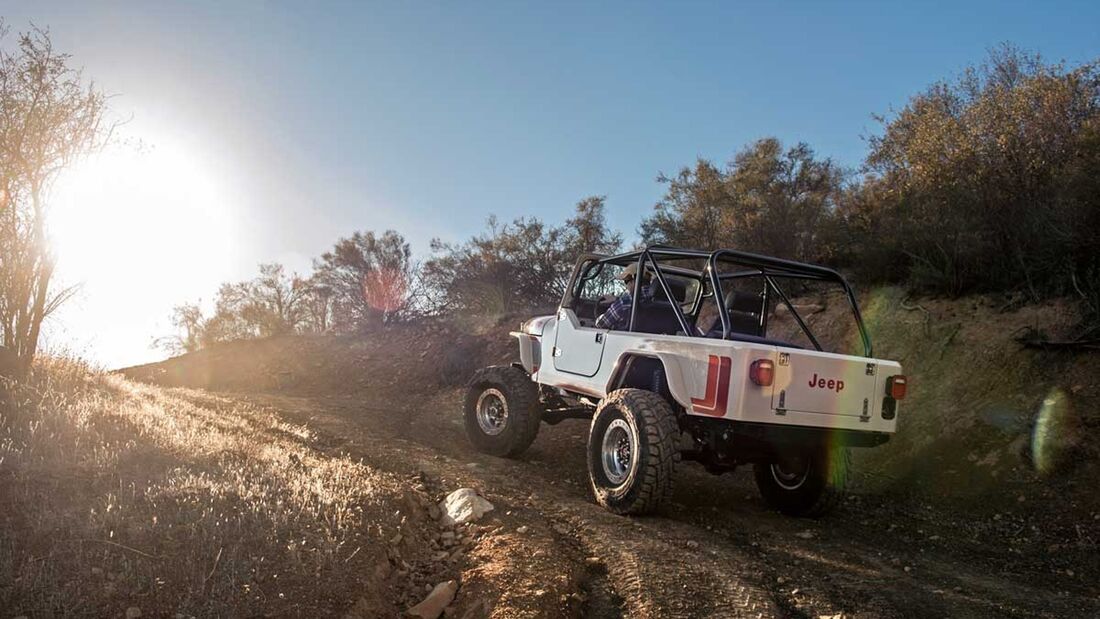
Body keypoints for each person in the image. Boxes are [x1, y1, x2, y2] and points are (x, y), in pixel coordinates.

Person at [595, 263, 652, 330]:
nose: (626, 286)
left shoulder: (625, 302)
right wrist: (616, 299)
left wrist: (599, 316)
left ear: (633, 281)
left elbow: (601, 324)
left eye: (626, 281)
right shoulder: (663, 300)